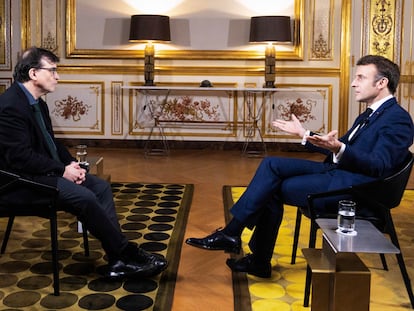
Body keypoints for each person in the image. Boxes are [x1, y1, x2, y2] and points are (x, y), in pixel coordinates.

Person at [186, 55, 414, 278]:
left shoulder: (397, 119)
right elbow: (339, 147)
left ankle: (246, 248)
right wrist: (305, 134)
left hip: (357, 190)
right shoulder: (371, 114)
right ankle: (237, 239)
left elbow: (379, 166)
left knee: (270, 188)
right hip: (342, 174)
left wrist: (339, 149)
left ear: (382, 83)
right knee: (271, 165)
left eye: (361, 77)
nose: (354, 83)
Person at [0, 46, 167, 280]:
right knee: (84, 197)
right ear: (33, 73)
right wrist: (62, 171)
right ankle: (125, 252)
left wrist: (72, 165)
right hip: (19, 184)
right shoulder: (10, 106)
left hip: (41, 174)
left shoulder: (38, 102)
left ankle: (117, 259)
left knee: (100, 187)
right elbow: (19, 158)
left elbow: (51, 143)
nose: (57, 76)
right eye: (53, 71)